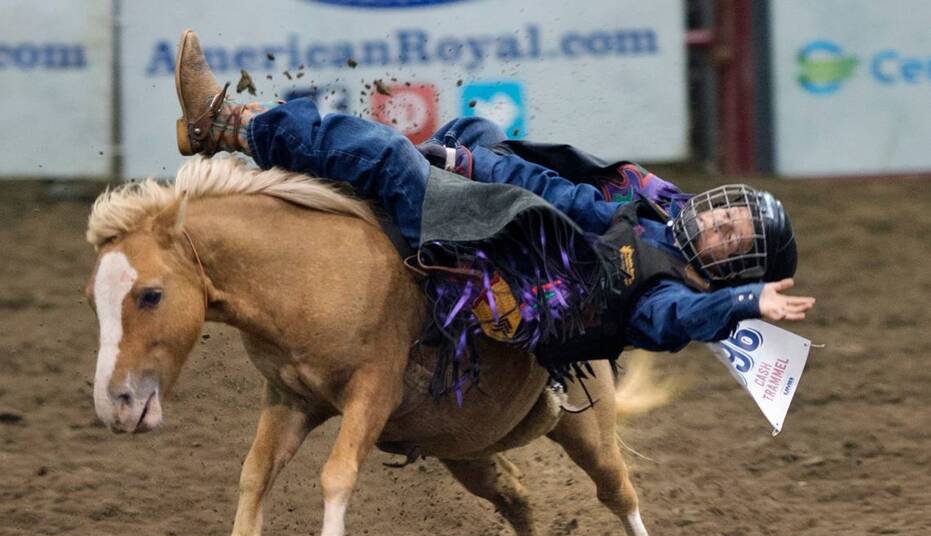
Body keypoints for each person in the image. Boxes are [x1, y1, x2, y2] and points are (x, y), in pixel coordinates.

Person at [174, 30, 814, 394]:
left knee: (388, 155)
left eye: (732, 238)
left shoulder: (663, 291)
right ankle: (326, 178)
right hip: (514, 225)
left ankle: (228, 129)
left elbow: (681, 318)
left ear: (723, 271)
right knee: (472, 130)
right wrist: (470, 159)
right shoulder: (657, 216)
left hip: (501, 260)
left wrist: (743, 307)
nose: (718, 220)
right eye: (732, 213)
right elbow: (565, 192)